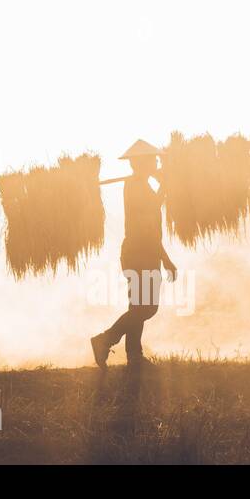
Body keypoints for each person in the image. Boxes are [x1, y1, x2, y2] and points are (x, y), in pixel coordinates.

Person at [91, 139, 177, 369]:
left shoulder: (140, 185)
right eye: (154, 160)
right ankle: (105, 340)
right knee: (146, 308)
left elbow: (152, 209)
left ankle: (134, 356)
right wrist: (166, 260)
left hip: (142, 252)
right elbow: (149, 221)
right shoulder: (136, 186)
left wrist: (161, 184)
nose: (157, 162)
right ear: (143, 163)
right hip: (141, 253)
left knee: (138, 306)